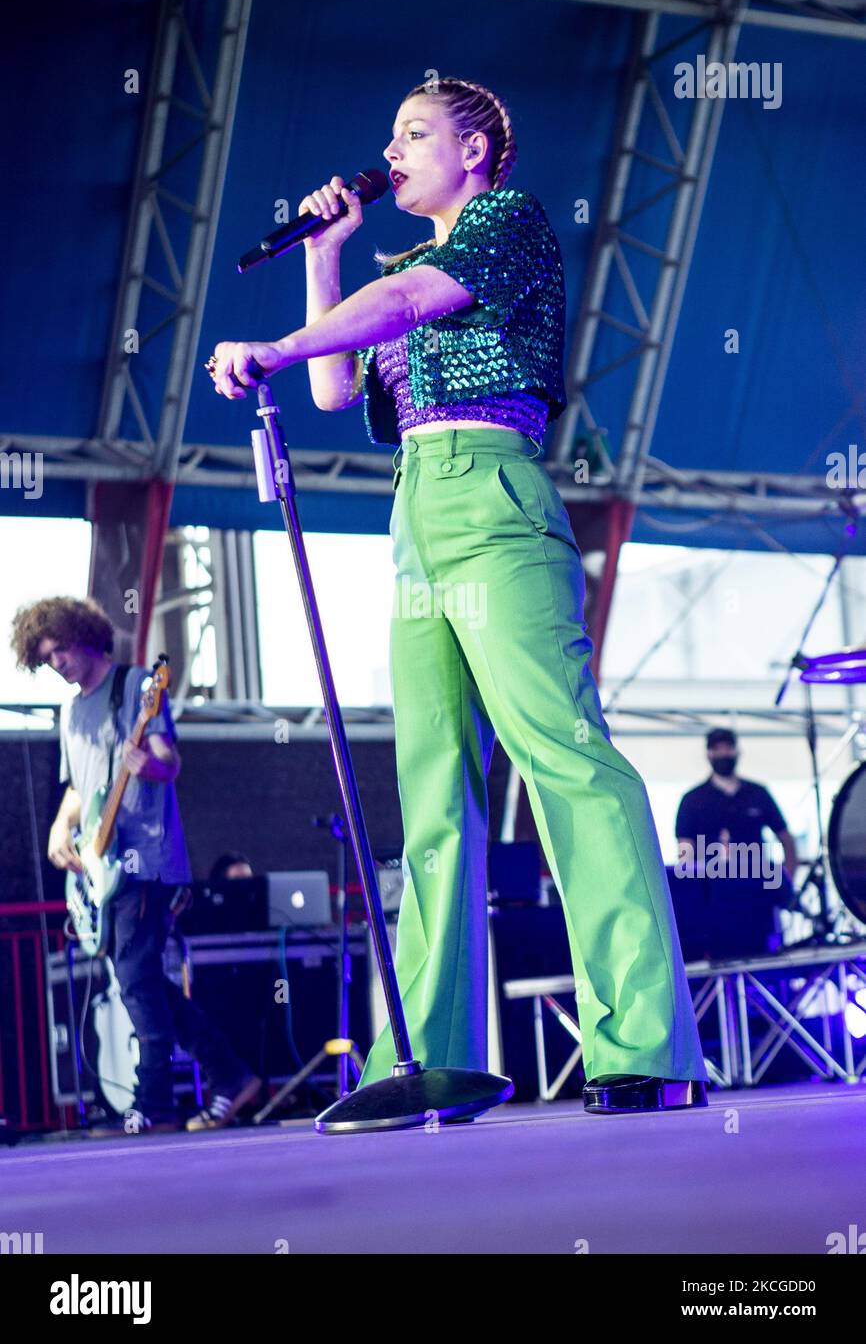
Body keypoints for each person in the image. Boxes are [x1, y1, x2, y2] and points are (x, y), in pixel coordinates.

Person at [206, 77, 708, 1115]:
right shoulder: (390, 266)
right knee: (433, 793)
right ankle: (423, 1059)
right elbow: (339, 389)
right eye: (387, 133)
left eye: (415, 133)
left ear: (474, 152)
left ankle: (643, 1044)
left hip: (492, 495)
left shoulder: (503, 226)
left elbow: (398, 309)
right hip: (414, 514)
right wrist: (320, 255)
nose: (390, 151)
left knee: (563, 757)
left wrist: (280, 344)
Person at [11, 596, 261, 1134]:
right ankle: (231, 1076)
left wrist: (150, 764)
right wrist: (60, 827)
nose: (57, 662)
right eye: (46, 656)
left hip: (146, 861)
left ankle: (154, 1105)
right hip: (102, 864)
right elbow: (80, 785)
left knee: (135, 979)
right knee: (144, 981)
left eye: (62, 649)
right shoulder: (71, 710)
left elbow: (169, 761)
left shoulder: (136, 687)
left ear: (85, 637)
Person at [676, 727, 799, 884]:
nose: (723, 754)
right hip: (710, 890)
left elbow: (786, 839)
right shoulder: (692, 800)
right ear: (709, 754)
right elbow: (685, 852)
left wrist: (786, 881)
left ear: (736, 751)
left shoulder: (758, 793)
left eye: (728, 748)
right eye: (717, 749)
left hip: (754, 887)